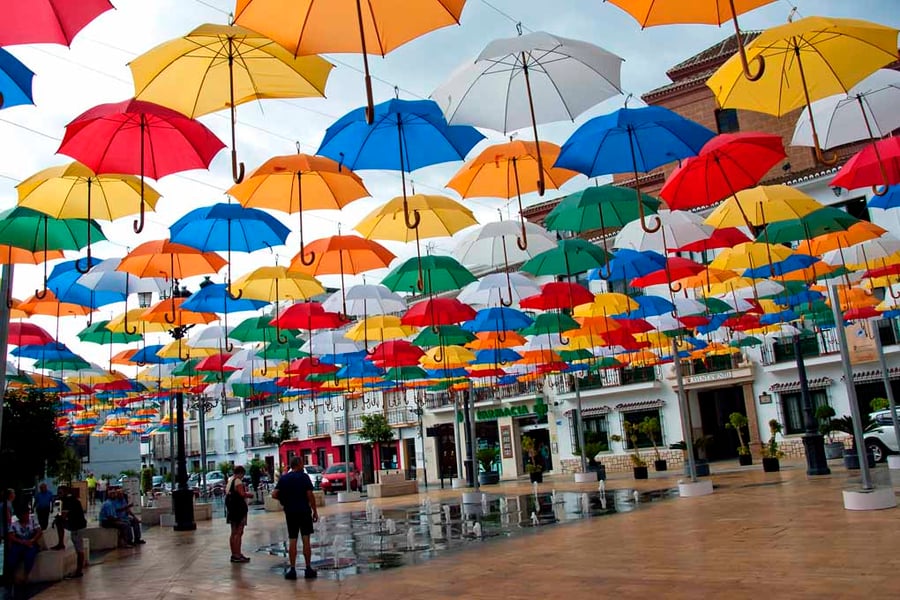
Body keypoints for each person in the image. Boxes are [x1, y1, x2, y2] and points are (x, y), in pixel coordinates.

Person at [271, 457, 318, 581]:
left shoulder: (284, 478)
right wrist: (315, 511)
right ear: (299, 464)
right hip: (304, 511)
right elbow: (310, 495)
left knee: (292, 539)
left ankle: (292, 569)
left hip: (290, 512)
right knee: (306, 539)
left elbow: (274, 494)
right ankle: (308, 568)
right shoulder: (304, 477)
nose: (303, 465)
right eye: (302, 463)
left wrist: (285, 500)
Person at [7, 505, 43, 587]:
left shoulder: (33, 520)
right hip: (20, 543)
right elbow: (11, 536)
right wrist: (22, 542)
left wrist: (32, 540)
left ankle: (26, 576)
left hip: (31, 542)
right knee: (12, 556)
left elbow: (39, 532)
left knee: (30, 555)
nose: (26, 516)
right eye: (24, 514)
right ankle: (11, 576)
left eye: (27, 514)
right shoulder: (14, 524)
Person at [224, 466, 252, 563]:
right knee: (239, 532)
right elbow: (242, 494)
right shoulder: (238, 481)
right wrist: (250, 495)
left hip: (231, 510)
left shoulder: (230, 480)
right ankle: (237, 554)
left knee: (233, 532)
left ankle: (234, 554)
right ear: (240, 473)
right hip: (239, 510)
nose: (243, 477)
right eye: (243, 474)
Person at [57, 486, 86, 578]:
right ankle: (60, 543)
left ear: (65, 492)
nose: (59, 495)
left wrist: (58, 517)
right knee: (59, 523)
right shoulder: (72, 499)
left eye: (60, 493)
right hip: (77, 525)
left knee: (79, 549)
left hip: (77, 527)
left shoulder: (67, 501)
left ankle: (79, 571)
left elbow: (63, 516)